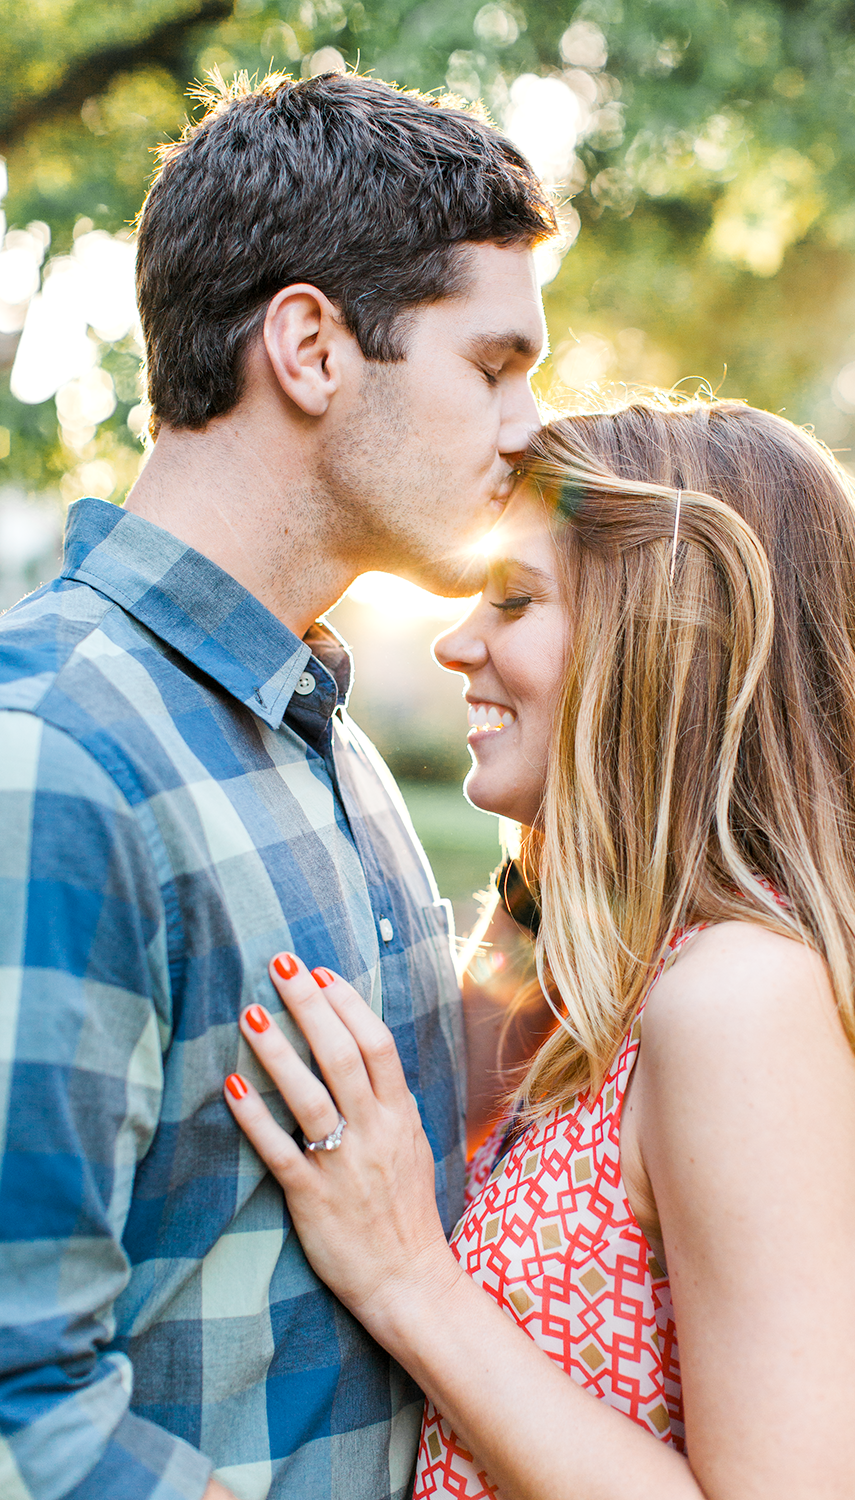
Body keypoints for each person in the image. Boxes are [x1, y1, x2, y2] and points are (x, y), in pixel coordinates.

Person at [225, 398, 855, 1500]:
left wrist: (410, 1283)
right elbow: (448, 1090)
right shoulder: (629, 961)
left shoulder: (746, 1001)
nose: (455, 640)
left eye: (515, 599)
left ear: (664, 639)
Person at [0, 71, 554, 1500]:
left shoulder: (320, 734)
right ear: (309, 344)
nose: (527, 426)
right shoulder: (54, 757)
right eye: (492, 365)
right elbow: (24, 1414)